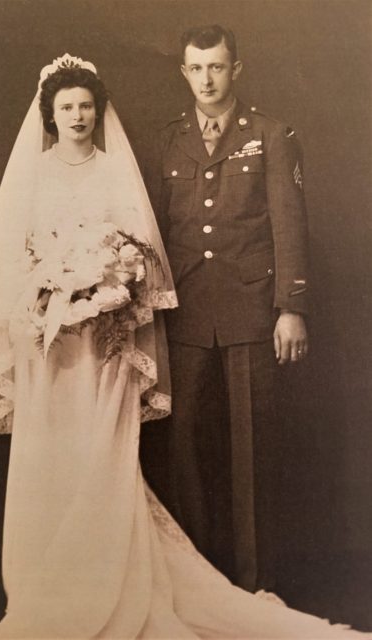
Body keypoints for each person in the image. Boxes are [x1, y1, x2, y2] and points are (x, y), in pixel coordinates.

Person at [0, 53, 367, 639]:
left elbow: (142, 253)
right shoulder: (32, 175)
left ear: (99, 113)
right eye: (66, 107)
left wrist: (109, 288)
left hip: (105, 343)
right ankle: (47, 585)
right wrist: (52, 298)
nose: (77, 116)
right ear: (49, 114)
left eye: (86, 107)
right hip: (49, 347)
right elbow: (13, 263)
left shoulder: (118, 170)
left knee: (105, 460)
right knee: (50, 460)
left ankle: (120, 584)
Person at [142, 23, 310, 594]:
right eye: (197, 67)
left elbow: (290, 224)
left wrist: (291, 306)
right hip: (186, 316)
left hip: (251, 313)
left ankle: (254, 584)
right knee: (185, 445)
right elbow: (157, 233)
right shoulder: (168, 140)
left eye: (217, 66)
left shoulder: (269, 132)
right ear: (183, 71)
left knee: (251, 448)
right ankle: (197, 583)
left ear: (235, 69)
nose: (207, 78)